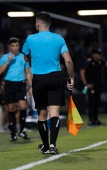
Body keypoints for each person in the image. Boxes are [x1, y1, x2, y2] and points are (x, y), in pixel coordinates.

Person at [22, 12, 74, 155]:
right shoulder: (58, 38)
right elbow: (68, 61)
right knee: (54, 114)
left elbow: (25, 57)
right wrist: (71, 78)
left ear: (38, 23)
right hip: (55, 77)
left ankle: (45, 146)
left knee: (42, 115)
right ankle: (52, 145)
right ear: (49, 24)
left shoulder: (30, 38)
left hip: (38, 78)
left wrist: (29, 56)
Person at [0, 37, 32, 141]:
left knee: (23, 106)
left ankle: (21, 130)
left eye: (17, 45)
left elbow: (28, 72)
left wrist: (31, 86)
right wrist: (8, 61)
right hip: (9, 84)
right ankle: (13, 132)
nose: (15, 48)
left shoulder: (23, 57)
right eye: (13, 46)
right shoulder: (4, 57)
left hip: (21, 83)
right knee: (11, 108)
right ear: (9, 47)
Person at [80, 48, 107, 126]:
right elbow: (82, 72)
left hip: (98, 85)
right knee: (91, 103)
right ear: (94, 54)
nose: (99, 55)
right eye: (98, 54)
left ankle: (95, 120)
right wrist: (86, 84)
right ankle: (91, 120)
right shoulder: (89, 62)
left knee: (97, 103)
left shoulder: (100, 61)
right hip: (90, 86)